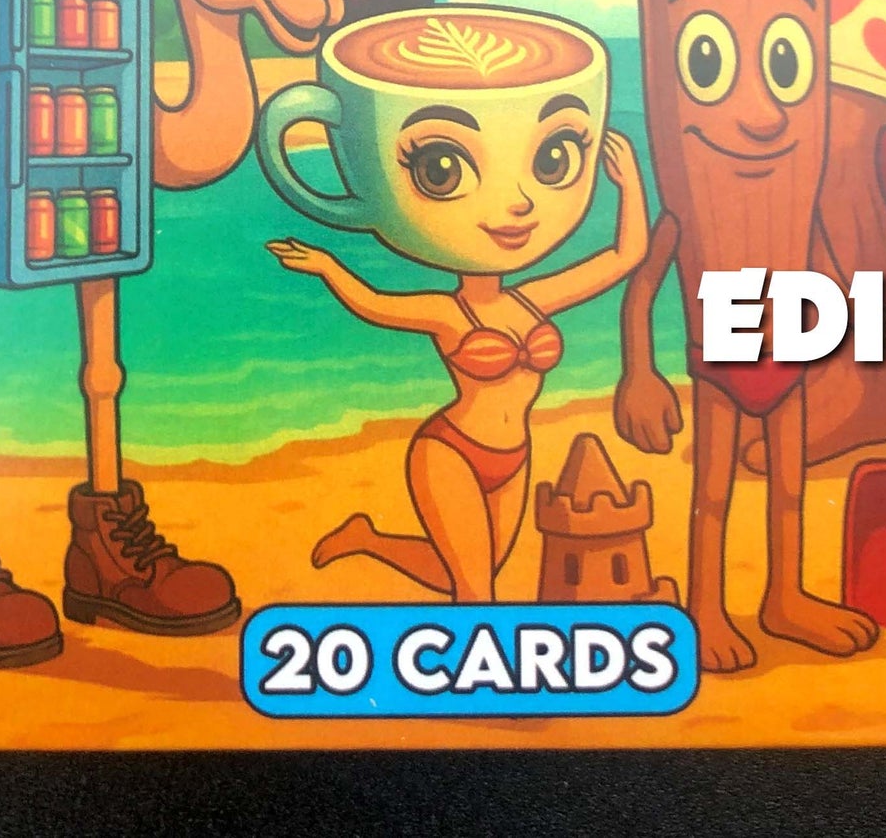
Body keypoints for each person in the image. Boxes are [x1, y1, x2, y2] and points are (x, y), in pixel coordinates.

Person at [269, 127, 648, 603]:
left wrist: (629, 182)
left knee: (468, 570)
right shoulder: (446, 313)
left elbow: (625, 256)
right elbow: (373, 303)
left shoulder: (533, 299)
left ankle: (367, 540)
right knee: (474, 591)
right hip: (450, 452)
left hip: (515, 454)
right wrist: (328, 266)